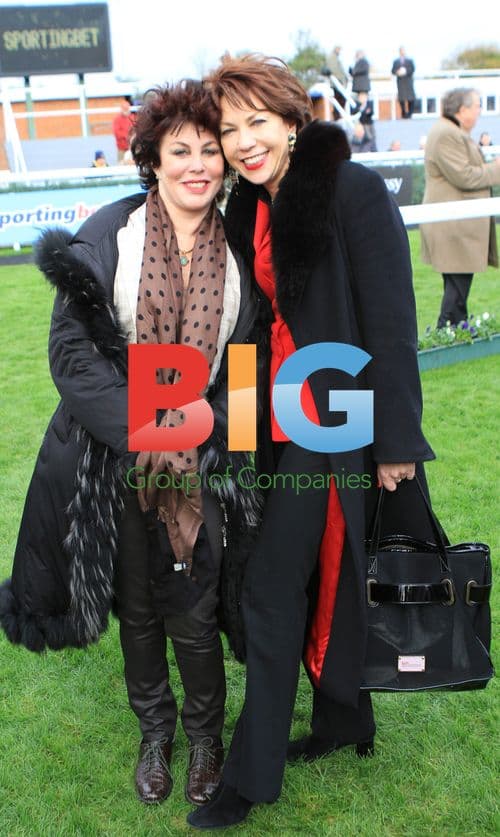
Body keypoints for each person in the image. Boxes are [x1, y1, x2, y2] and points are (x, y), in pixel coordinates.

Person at [188, 53, 435, 830]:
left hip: (340, 422)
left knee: (269, 586)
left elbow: (392, 321)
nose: (243, 142)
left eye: (256, 122)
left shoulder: (352, 192)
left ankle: (247, 777)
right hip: (273, 422)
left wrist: (395, 438)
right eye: (229, 131)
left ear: (294, 120)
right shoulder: (246, 210)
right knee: (321, 574)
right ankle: (343, 720)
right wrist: (231, 424)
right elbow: (249, 326)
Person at [0, 81, 261, 809]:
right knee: (139, 606)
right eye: (181, 150)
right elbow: (71, 358)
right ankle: (156, 732)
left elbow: (245, 361)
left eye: (211, 151)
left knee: (197, 602)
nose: (198, 164)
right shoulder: (108, 234)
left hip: (204, 462)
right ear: (152, 157)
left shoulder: (237, 249)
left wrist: (228, 451)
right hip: (114, 460)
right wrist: (146, 430)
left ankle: (206, 738)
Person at [420, 88, 500, 328]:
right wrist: (496, 169)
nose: (479, 112)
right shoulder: (447, 134)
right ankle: (446, 334)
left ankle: (457, 331)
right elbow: (464, 177)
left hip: (457, 227)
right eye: (476, 107)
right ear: (462, 110)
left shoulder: (450, 131)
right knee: (456, 290)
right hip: (454, 227)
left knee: (457, 290)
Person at [391, 47, 416, 119]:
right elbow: (393, 71)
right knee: (401, 98)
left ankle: (410, 113)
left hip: (408, 81)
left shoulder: (410, 60)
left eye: (403, 51)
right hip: (400, 82)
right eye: (401, 51)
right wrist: (397, 72)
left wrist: (405, 71)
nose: (402, 52)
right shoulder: (396, 61)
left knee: (411, 98)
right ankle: (404, 112)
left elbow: (413, 69)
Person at [113, 94, 136, 162]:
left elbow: (137, 130)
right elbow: (117, 133)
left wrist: (132, 139)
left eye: (127, 109)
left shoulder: (133, 117)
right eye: (124, 109)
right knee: (121, 165)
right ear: (121, 109)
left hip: (133, 147)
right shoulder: (117, 119)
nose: (126, 111)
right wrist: (128, 136)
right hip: (122, 148)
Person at [327, 45, 348, 113]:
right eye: (339, 49)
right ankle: (338, 117)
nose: (340, 51)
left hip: (339, 83)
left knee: (341, 100)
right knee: (339, 100)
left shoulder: (336, 57)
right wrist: (341, 81)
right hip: (337, 83)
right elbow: (334, 70)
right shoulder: (332, 57)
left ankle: (339, 116)